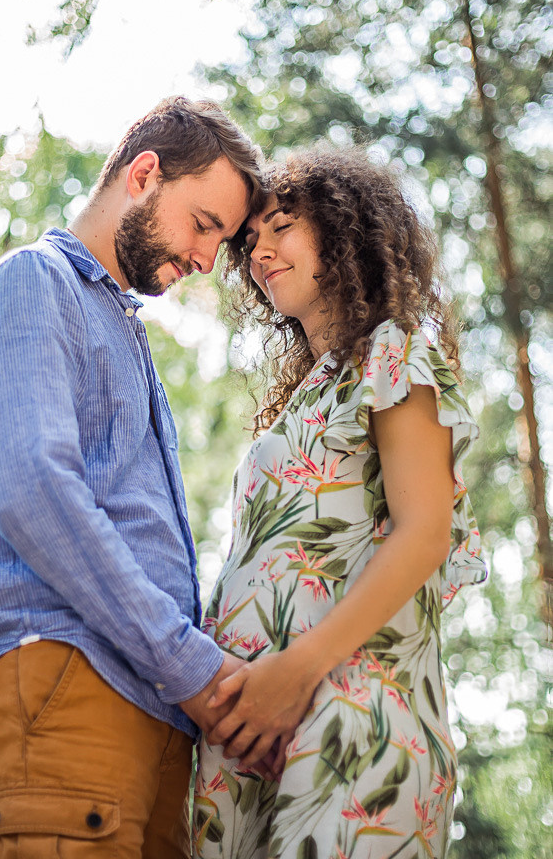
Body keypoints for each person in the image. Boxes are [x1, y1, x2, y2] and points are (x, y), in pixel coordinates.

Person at [0, 96, 265, 858]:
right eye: (203, 224)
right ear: (144, 173)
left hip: (150, 718)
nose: (204, 260)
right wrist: (193, 667)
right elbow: (34, 490)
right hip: (61, 688)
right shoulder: (33, 281)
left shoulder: (120, 327)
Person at [194, 144, 487, 859]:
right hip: (254, 742)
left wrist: (295, 673)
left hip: (352, 728)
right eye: (250, 239)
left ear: (342, 230)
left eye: (282, 225)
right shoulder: (304, 397)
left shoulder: (392, 354)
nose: (259, 249)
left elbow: (422, 534)